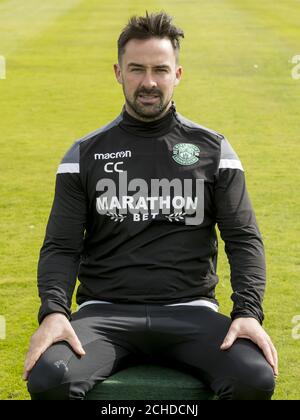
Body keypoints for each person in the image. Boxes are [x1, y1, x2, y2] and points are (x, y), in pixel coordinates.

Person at [24, 11, 278, 400]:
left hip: (191, 312)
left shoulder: (214, 150)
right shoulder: (84, 154)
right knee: (51, 379)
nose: (148, 82)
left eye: (160, 69)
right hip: (103, 314)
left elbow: (243, 240)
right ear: (118, 72)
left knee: (253, 378)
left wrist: (247, 313)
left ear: (177, 74)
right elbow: (61, 245)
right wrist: (55, 312)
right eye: (136, 69)